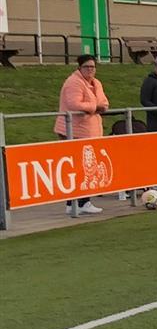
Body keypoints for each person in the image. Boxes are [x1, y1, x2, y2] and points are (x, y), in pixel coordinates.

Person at [55, 55, 109, 216]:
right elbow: (74, 104)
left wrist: (95, 107)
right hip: (74, 131)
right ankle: (73, 203)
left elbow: (104, 103)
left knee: (88, 169)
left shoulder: (96, 83)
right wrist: (94, 107)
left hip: (91, 131)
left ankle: (83, 202)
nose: (90, 70)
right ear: (80, 68)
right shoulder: (73, 82)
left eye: (92, 67)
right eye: (87, 67)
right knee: (77, 168)